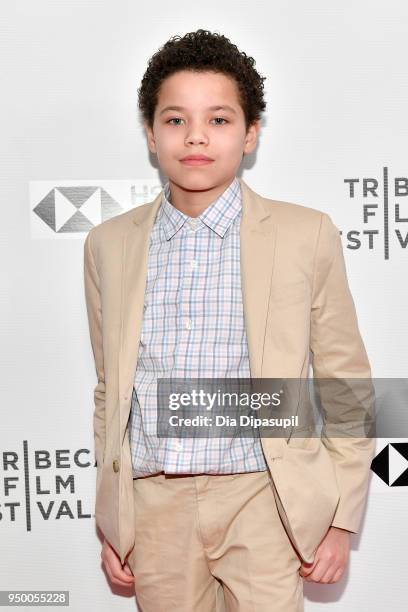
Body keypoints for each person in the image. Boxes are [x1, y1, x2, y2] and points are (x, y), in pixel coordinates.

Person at [83, 29, 375, 611]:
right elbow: (110, 392)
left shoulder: (304, 234)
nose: (196, 136)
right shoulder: (107, 245)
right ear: (150, 133)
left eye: (218, 119)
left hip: (265, 500)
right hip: (155, 506)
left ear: (251, 134)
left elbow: (347, 386)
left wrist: (342, 518)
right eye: (175, 120)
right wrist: (115, 515)